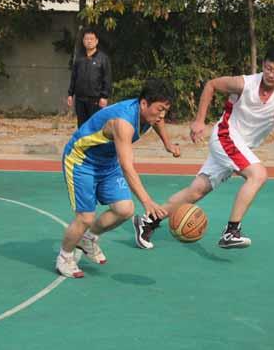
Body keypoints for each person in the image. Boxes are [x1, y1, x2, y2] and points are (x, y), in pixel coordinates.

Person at [132, 48, 274, 249]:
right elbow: (211, 85)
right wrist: (199, 121)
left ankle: (148, 222)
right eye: (268, 68)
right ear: (263, 65)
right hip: (226, 136)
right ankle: (232, 231)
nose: (271, 74)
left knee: (196, 192)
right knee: (258, 174)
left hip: (240, 146)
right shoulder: (244, 84)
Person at [56, 78, 181, 278]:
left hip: (106, 162)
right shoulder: (123, 123)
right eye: (159, 109)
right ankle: (64, 256)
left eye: (165, 110)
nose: (162, 115)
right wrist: (147, 201)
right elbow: (127, 166)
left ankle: (88, 238)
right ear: (144, 104)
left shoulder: (149, 114)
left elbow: (159, 121)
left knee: (125, 209)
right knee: (85, 217)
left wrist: (167, 143)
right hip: (81, 161)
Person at [67, 27, 113, 127]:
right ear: (83, 41)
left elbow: (107, 79)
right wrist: (70, 94)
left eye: (91, 39)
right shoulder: (79, 58)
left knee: (95, 126)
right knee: (82, 126)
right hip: (80, 99)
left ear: (96, 41)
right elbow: (74, 76)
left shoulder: (103, 58)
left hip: (96, 99)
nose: (89, 41)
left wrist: (104, 97)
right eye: (87, 39)